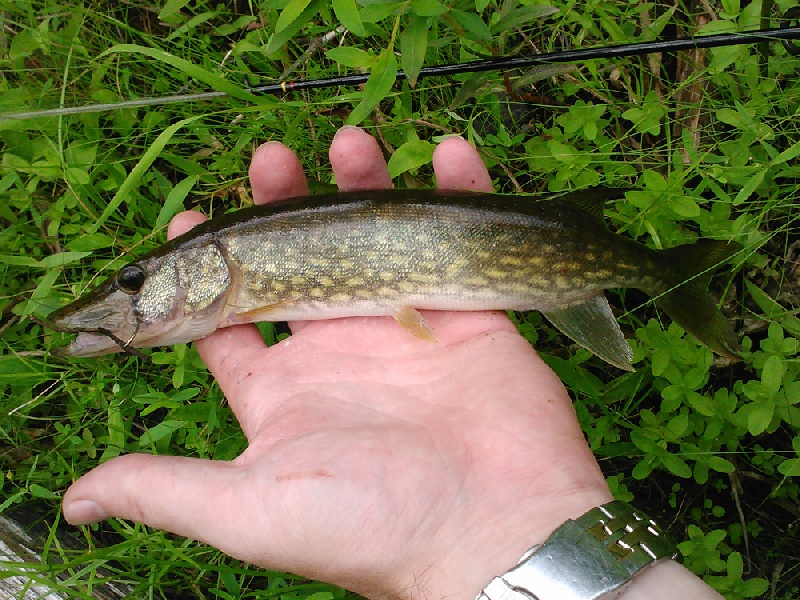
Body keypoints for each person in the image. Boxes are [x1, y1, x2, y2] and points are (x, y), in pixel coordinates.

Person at [62, 127, 723, 600]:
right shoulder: (232, 275)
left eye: (131, 282)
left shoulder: (232, 267)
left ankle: (677, 275)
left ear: (206, 268)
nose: (126, 296)